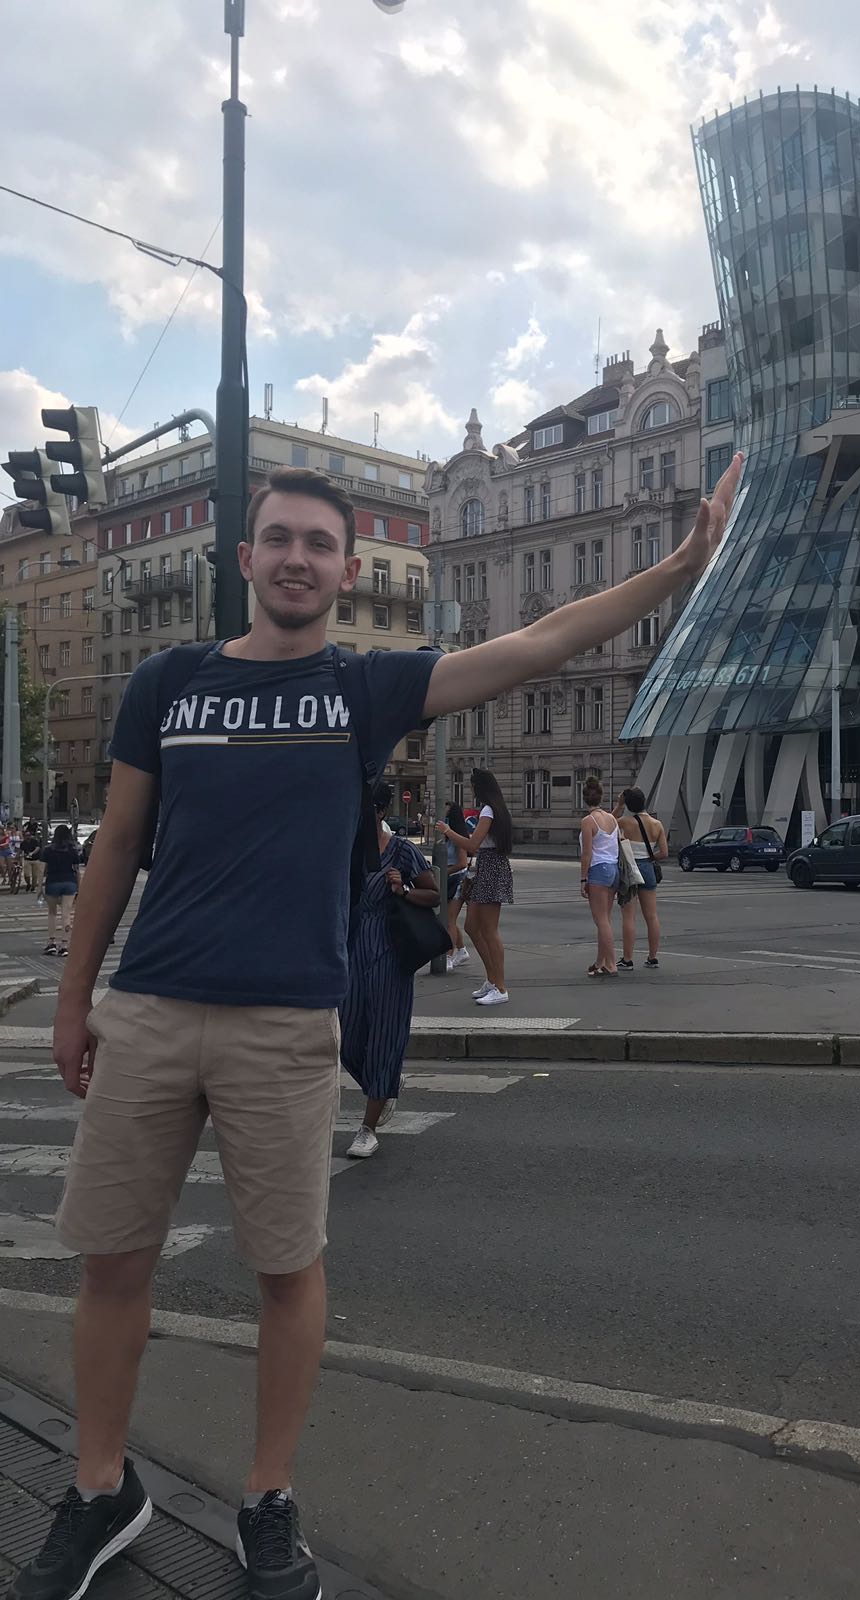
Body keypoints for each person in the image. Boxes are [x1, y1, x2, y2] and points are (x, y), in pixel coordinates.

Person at [17, 449, 742, 1600]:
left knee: (287, 1270)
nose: (297, 558)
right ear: (245, 557)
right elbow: (115, 846)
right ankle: (100, 1489)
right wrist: (73, 998)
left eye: (319, 544)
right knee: (112, 1263)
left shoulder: (366, 688)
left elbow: (539, 642)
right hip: (151, 1007)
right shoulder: (168, 681)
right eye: (280, 539)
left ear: (345, 568)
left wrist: (679, 568)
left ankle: (265, 1501)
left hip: (286, 1022)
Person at [340, 781, 439, 1160]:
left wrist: (403, 890)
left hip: (390, 951)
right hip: (351, 949)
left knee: (384, 1035)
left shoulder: (402, 851)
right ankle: (384, 1088)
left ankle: (367, 1126)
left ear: (379, 811)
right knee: (346, 1036)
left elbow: (432, 894)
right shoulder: (347, 847)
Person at [436, 768, 514, 1006]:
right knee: (471, 926)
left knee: (489, 930)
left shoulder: (489, 810)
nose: (471, 790)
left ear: (480, 788)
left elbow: (473, 843)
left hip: (490, 867)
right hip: (488, 867)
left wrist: (449, 831)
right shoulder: (496, 809)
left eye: (472, 786)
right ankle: (492, 980)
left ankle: (500, 986)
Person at [614, 788, 669, 969]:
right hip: (647, 867)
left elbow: (607, 824)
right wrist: (650, 858)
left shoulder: (624, 822)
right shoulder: (657, 824)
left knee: (629, 917)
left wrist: (619, 804)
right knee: (651, 916)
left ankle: (627, 959)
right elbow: (664, 853)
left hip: (629, 869)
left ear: (629, 804)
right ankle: (653, 957)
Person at [578, 778, 620, 978]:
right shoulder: (611, 819)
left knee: (601, 920)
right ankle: (600, 961)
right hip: (613, 869)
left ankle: (611, 964)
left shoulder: (588, 821)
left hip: (598, 870)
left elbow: (586, 853)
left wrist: (583, 879)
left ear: (584, 799)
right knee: (606, 920)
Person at [39, 824, 82, 956]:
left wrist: (39, 887)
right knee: (66, 914)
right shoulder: (72, 850)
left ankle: (51, 943)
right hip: (70, 882)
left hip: (53, 882)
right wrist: (78, 888)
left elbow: (41, 870)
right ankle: (64, 945)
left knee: (52, 913)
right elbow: (77, 871)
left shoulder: (47, 850)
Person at [443, 800, 471, 971]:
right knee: (449, 920)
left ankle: (448, 956)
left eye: (445, 812)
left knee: (449, 920)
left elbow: (462, 863)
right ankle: (461, 950)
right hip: (449, 879)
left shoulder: (458, 836)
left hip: (458, 880)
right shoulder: (447, 836)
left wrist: (443, 873)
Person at [21, 822, 42, 894]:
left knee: (35, 875)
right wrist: (19, 856)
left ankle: (33, 887)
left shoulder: (34, 841)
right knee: (26, 874)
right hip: (27, 860)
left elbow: (37, 848)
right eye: (26, 835)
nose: (28, 837)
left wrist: (32, 853)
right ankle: (28, 884)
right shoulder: (23, 843)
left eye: (29, 835)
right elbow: (21, 850)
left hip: (35, 859)